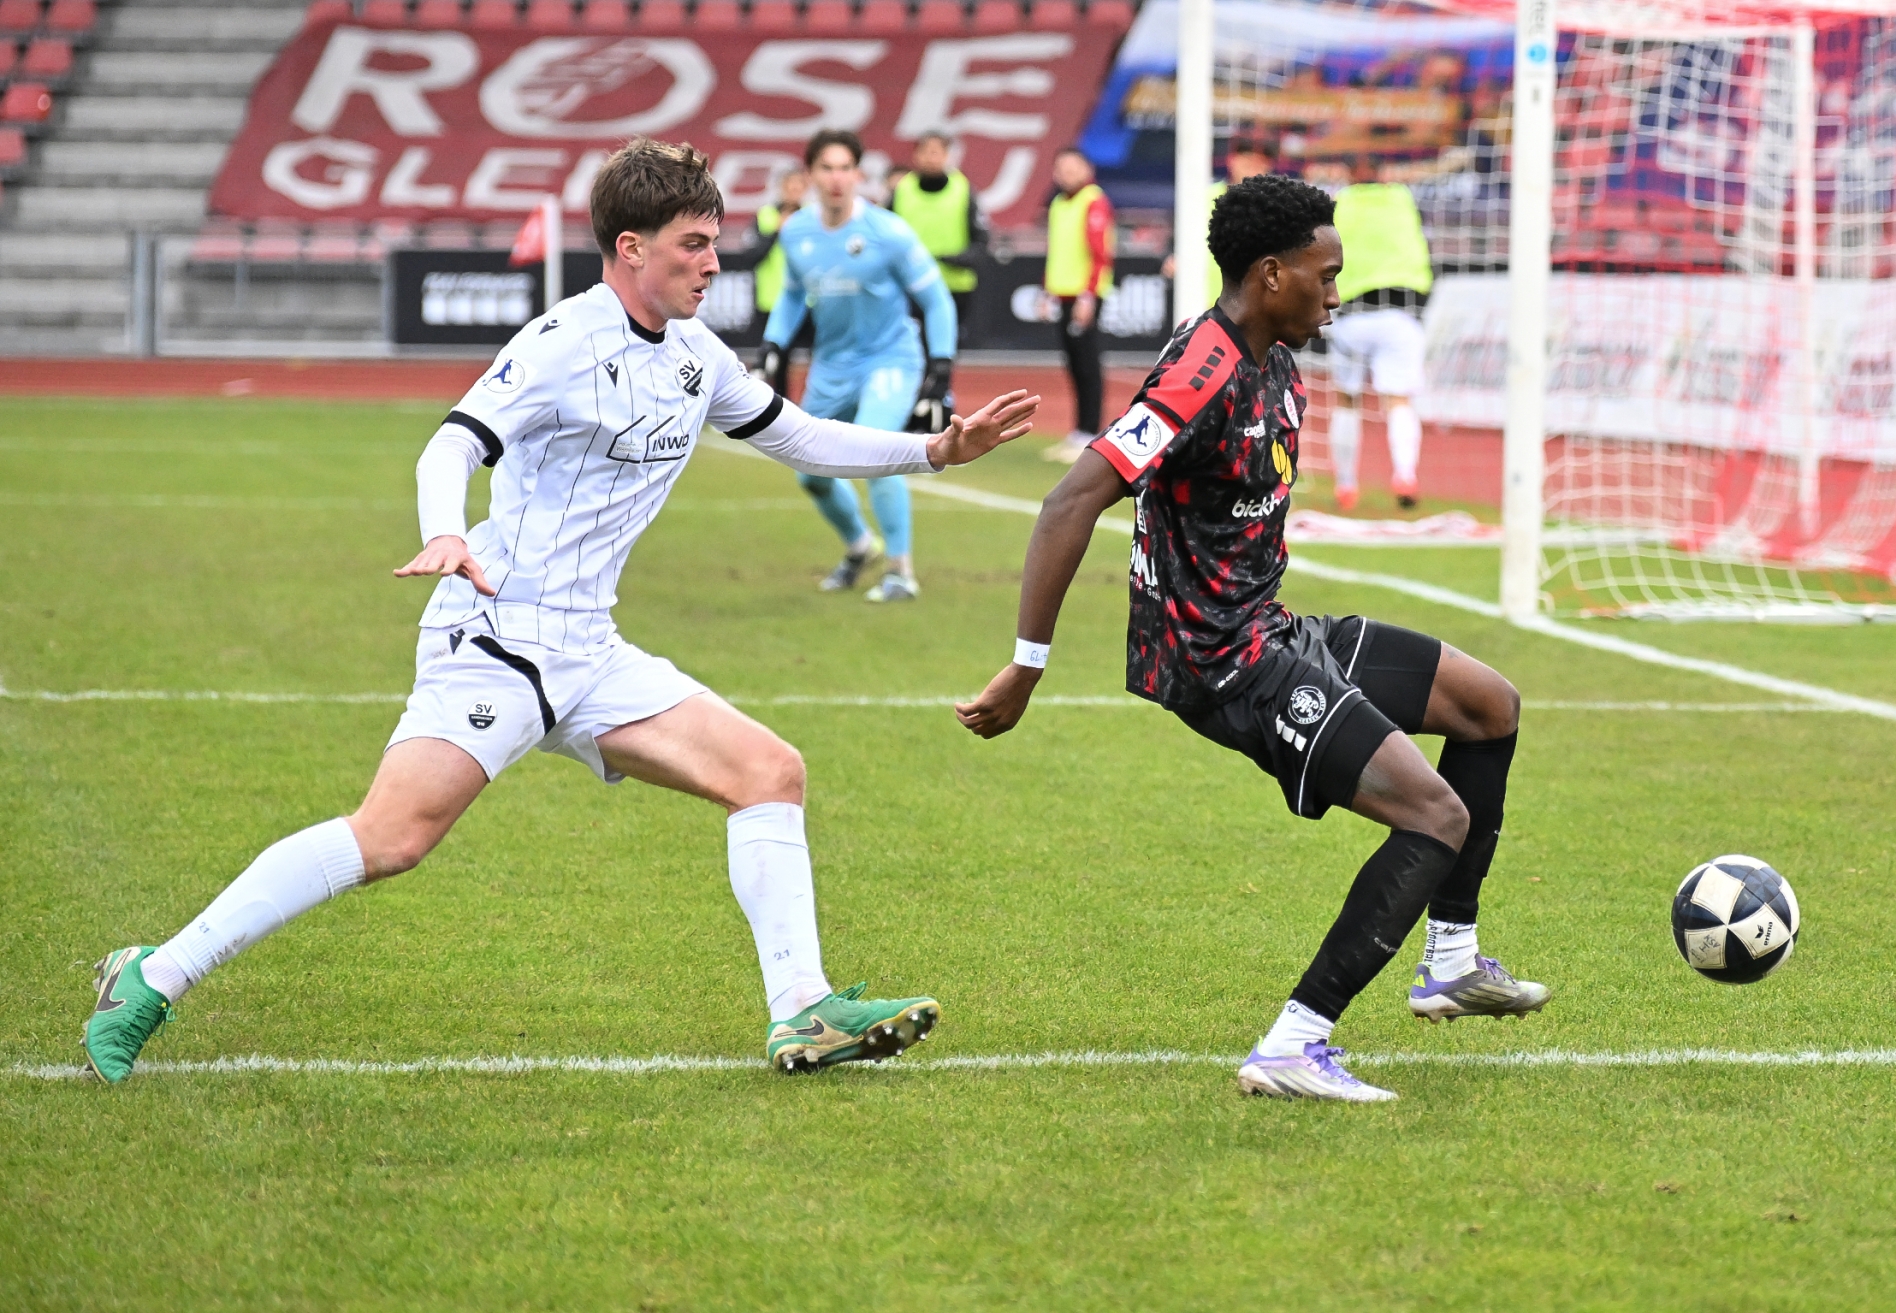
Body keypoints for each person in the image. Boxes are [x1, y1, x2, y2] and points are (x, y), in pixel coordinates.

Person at [79, 138, 1041, 1086]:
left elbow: (796, 435)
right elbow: (452, 444)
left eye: (713, 242)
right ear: (631, 247)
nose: (714, 263)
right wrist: (445, 530)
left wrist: (935, 452)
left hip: (589, 647)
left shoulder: (696, 352)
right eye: (693, 244)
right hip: (497, 632)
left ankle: (804, 1009)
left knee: (768, 771)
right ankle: (153, 976)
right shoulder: (560, 342)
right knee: (392, 837)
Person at [956, 174, 1548, 1103]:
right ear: (1271, 275)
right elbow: (1072, 498)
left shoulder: (1274, 354)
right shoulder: (1203, 371)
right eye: (1327, 274)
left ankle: (1451, 957)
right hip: (1221, 660)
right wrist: (1028, 665)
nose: (1339, 294)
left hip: (1270, 627)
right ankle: (1293, 1044)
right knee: (1435, 815)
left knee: (1489, 706)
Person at [758, 129, 959, 603]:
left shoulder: (888, 232)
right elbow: (792, 295)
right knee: (809, 470)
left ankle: (900, 572)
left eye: (845, 168)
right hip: (831, 365)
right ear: (810, 174)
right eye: (826, 168)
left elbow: (936, 299)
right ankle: (859, 546)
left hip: (890, 358)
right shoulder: (796, 232)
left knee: (876, 451)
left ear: (858, 175)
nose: (836, 178)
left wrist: (941, 365)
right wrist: (773, 344)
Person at [1322, 155, 1434, 510]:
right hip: (1400, 316)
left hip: (1351, 316)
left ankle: (1346, 485)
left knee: (1347, 399)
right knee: (1399, 400)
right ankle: (1405, 475)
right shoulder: (1401, 200)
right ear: (1383, 175)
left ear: (1349, 176)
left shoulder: (1340, 205)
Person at [1038, 146, 1115, 464]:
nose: (1066, 175)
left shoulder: (1093, 200)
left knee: (1087, 365)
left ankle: (1089, 432)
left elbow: (1100, 253)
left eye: (1072, 168)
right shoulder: (1058, 203)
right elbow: (1057, 250)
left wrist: (1088, 296)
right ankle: (1079, 431)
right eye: (1061, 169)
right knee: (1073, 365)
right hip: (1064, 294)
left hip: (1084, 295)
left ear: (1086, 170)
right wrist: (1047, 292)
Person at [890, 131, 990, 345]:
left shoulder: (963, 189)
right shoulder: (902, 190)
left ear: (947, 156)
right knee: (912, 348)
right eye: (926, 152)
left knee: (944, 349)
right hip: (910, 284)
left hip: (952, 285)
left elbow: (981, 239)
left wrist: (959, 259)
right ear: (916, 155)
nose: (931, 158)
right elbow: (884, 235)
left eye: (936, 152)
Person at [1160, 138, 1274, 306]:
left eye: (1258, 164)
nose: (1252, 169)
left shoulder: (1274, 207)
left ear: (1268, 167)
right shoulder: (1203, 197)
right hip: (1202, 300)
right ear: (1231, 161)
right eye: (1246, 162)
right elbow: (1177, 239)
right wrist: (1172, 258)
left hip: (1253, 306)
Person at [745, 167, 811, 398]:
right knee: (777, 359)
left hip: (810, 299)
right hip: (773, 300)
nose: (794, 191)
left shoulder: (812, 217)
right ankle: (778, 405)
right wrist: (776, 231)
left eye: (798, 187)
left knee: (820, 356)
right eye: (789, 186)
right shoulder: (765, 216)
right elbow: (752, 256)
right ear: (781, 188)